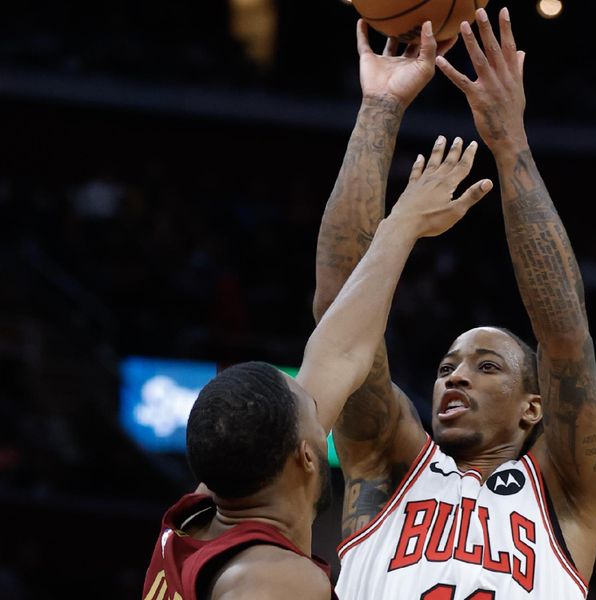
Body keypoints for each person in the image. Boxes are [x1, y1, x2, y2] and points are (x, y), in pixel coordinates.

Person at [313, 8, 596, 600]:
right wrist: (379, 110)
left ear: (535, 409)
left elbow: (565, 336)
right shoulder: (384, 461)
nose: (455, 376)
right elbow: (338, 312)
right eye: (447, 366)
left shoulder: (569, 495)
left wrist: (510, 144)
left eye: (487, 366)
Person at [141, 132, 494, 600]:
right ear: (307, 455)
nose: (320, 399)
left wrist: (402, 224)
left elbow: (340, 350)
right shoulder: (275, 581)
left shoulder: (202, 514)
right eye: (312, 408)